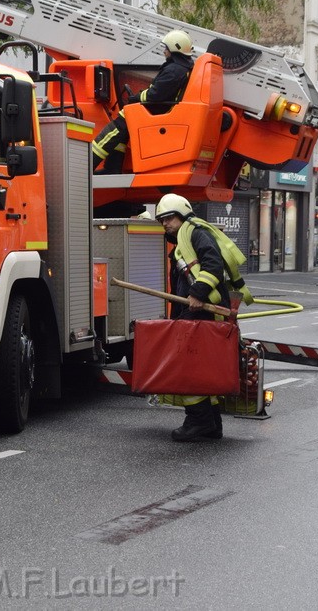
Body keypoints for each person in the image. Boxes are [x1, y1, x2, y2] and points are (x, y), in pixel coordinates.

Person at [154, 192, 230, 441]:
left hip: (203, 311)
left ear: (183, 215)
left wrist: (198, 293)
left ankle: (198, 421)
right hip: (195, 312)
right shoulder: (182, 242)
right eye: (162, 220)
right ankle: (212, 424)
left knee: (189, 367)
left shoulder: (196, 233)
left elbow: (213, 265)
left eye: (170, 218)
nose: (166, 223)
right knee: (203, 368)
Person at [92, 30, 195, 174]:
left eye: (166, 48)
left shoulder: (174, 70)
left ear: (174, 48)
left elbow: (155, 94)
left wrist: (137, 98)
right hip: (162, 110)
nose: (164, 51)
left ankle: (86, 165)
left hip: (155, 112)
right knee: (123, 132)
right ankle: (112, 168)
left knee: (116, 127)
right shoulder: (181, 68)